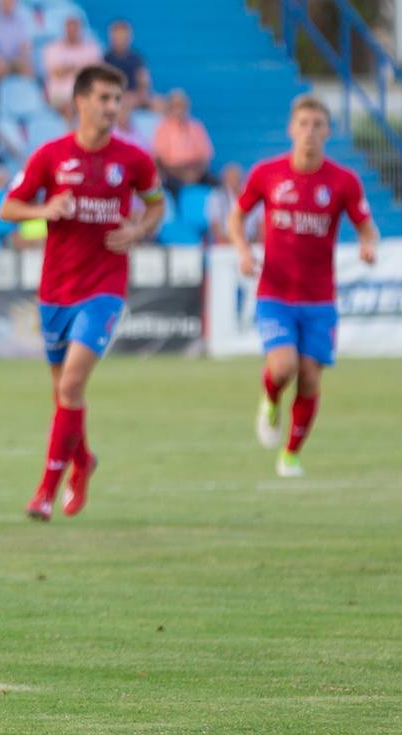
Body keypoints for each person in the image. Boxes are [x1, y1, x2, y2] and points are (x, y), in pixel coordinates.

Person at [0, 64, 165, 520]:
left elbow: (156, 204)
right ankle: (84, 461)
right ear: (81, 102)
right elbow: (8, 208)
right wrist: (45, 208)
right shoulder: (51, 156)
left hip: (105, 289)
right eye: (105, 98)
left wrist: (140, 231)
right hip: (55, 291)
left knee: (72, 383)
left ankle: (45, 492)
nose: (113, 107)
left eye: (118, 99)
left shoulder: (133, 160)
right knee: (64, 394)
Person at [228, 96, 378, 477]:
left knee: (310, 377)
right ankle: (270, 398)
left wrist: (368, 246)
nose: (310, 132)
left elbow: (366, 226)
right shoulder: (268, 173)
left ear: (328, 131)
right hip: (275, 294)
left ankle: (291, 453)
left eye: (318, 125)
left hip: (319, 299)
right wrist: (243, 250)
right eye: (304, 124)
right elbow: (237, 216)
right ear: (291, 129)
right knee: (283, 366)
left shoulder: (343, 181)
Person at [152, 89, 214, 194]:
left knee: (217, 185)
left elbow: (206, 156)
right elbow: (161, 160)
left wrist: (195, 174)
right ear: (169, 108)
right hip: (173, 173)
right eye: (176, 106)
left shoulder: (197, 126)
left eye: (182, 106)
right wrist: (183, 175)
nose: (179, 110)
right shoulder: (162, 129)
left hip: (196, 171)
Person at [42, 16, 102, 115]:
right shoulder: (53, 48)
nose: (72, 31)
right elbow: (57, 73)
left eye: (75, 28)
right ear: (65, 29)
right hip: (60, 95)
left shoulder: (91, 47)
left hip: (86, 92)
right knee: (70, 106)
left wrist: (69, 67)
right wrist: (80, 66)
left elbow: (96, 73)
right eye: (70, 28)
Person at [205, 162, 260, 246]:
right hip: (226, 243)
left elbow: (260, 223)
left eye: (236, 177)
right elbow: (215, 224)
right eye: (230, 178)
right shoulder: (217, 196)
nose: (233, 181)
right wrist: (228, 243)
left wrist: (256, 243)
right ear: (224, 180)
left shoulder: (252, 195)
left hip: (251, 242)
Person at [102, 20, 152, 110]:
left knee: (159, 103)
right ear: (111, 37)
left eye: (123, 36)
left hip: (133, 97)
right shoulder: (105, 59)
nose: (120, 40)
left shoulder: (136, 58)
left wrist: (139, 95)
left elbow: (144, 82)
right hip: (112, 97)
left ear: (129, 38)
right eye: (117, 36)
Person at [0, 0, 34, 77]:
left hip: (15, 61)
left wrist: (23, 59)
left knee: (29, 71)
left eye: (10, 2)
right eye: (5, 2)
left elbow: (25, 46)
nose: (7, 4)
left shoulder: (21, 20)